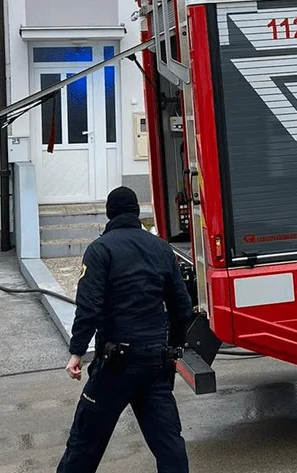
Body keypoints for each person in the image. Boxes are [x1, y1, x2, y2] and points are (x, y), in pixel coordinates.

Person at [56, 186, 193, 473]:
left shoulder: (100, 250)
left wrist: (76, 352)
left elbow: (89, 307)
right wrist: (174, 347)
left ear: (109, 214)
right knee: (169, 444)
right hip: (155, 363)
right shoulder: (161, 248)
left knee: (84, 444)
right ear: (135, 213)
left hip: (115, 366)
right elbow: (182, 307)